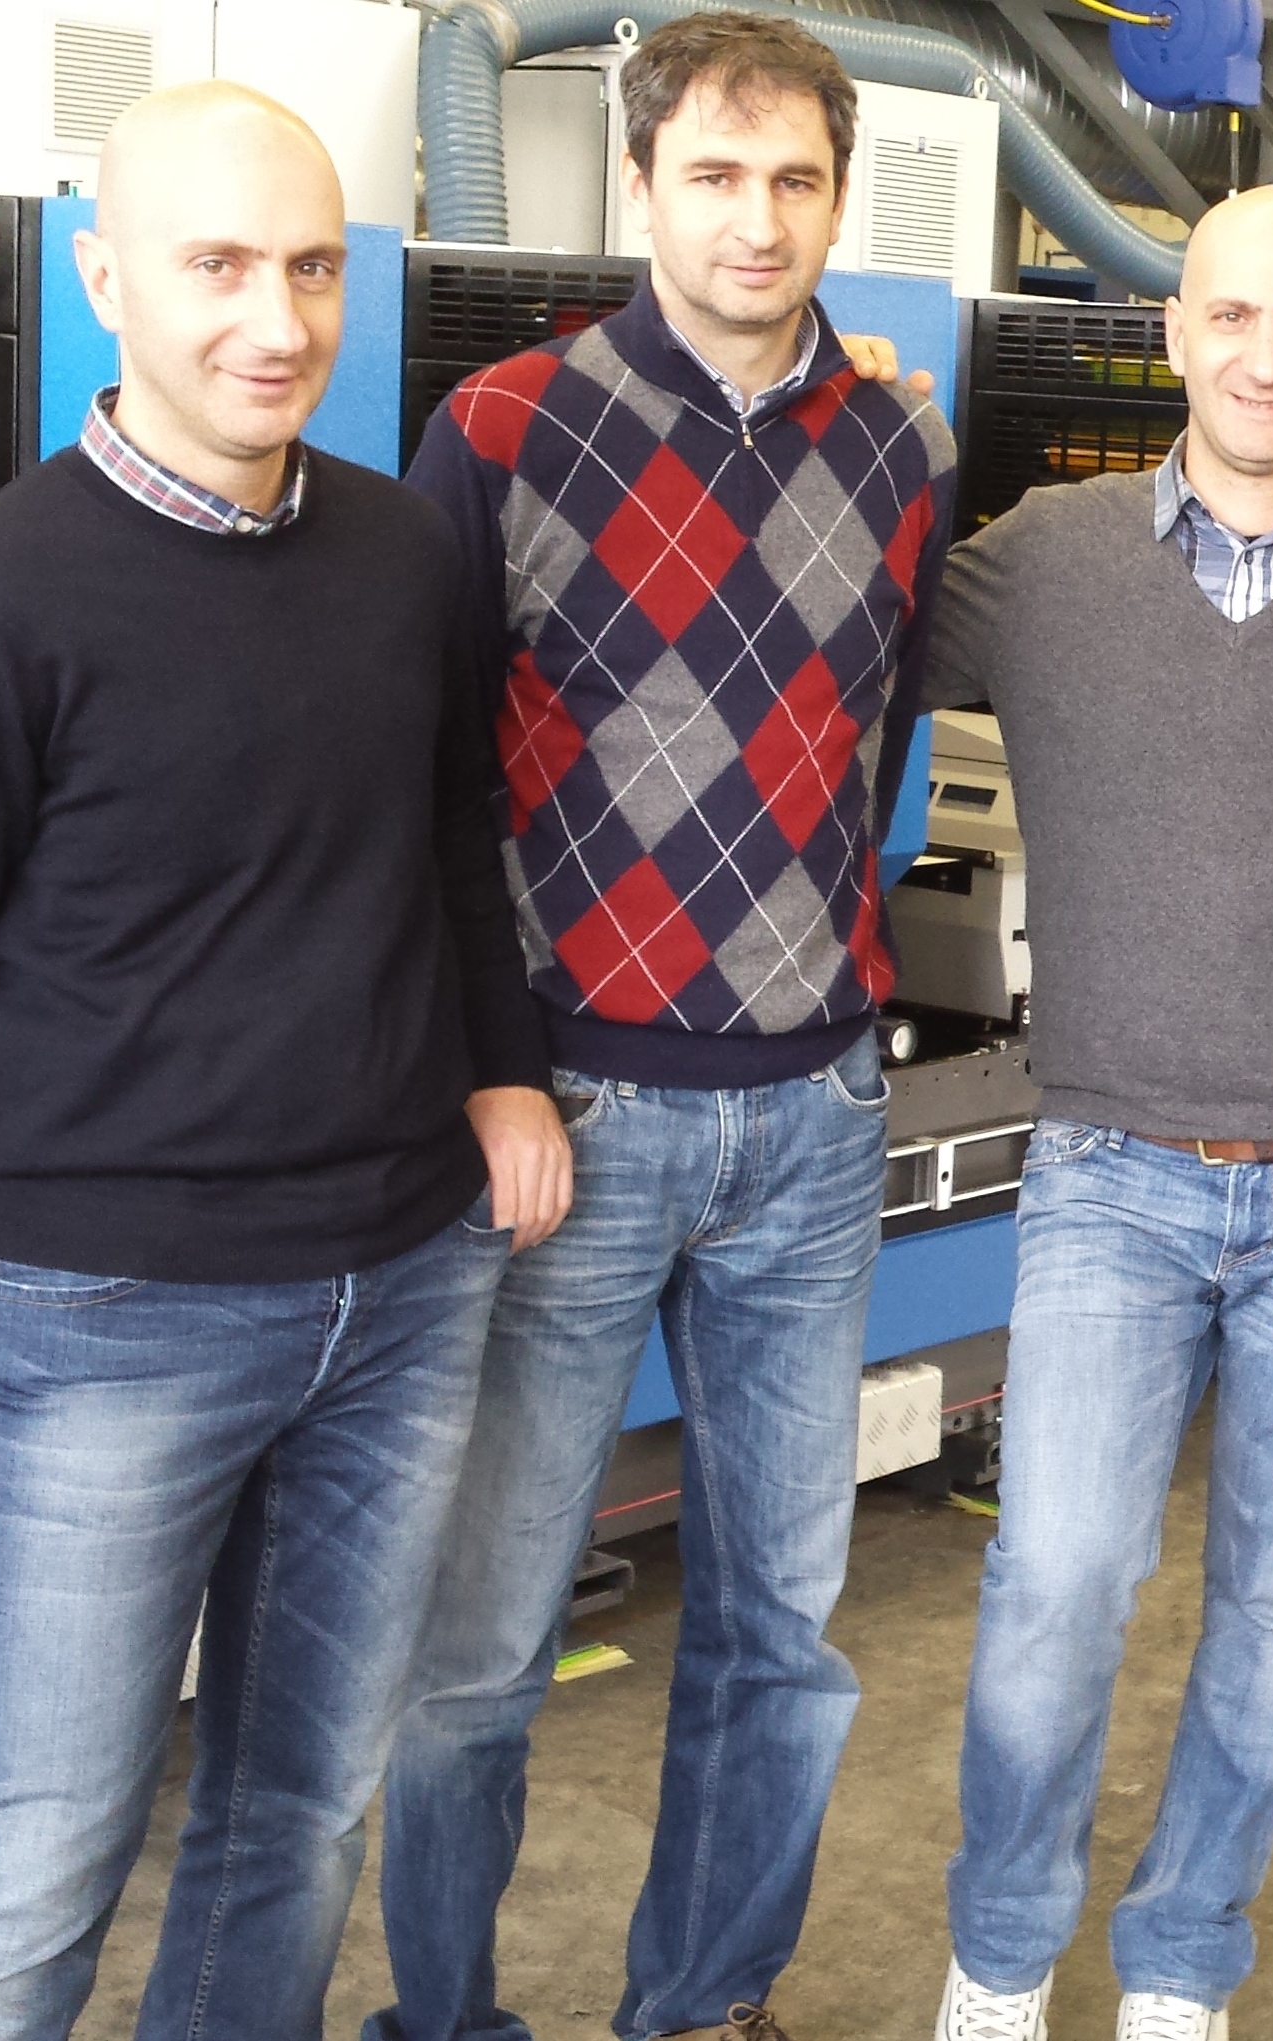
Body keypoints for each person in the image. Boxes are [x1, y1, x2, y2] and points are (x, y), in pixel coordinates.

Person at [0, 83, 565, 2041]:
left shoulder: (402, 554)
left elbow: (452, 833)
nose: (273, 321)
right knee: (32, 1867)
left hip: (400, 1291)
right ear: (106, 278)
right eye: (217, 266)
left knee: (297, 1817)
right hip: (107, 1317)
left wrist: (502, 1071)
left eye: (310, 268)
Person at [380, 13, 961, 2041]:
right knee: (479, 1650)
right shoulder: (502, 431)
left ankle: (706, 2005)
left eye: (795, 179)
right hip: (571, 1122)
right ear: (638, 185)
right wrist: (492, 1067)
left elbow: (871, 744)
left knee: (780, 1635)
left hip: (813, 1118)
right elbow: (429, 784)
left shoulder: (901, 449)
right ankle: (444, 2017)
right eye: (714, 175)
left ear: (838, 197)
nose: (756, 220)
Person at [920, 185, 1273, 2041]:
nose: (1263, 356)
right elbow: (823, 635)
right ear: (1169, 335)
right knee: (1055, 1586)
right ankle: (1002, 1957)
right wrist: (848, 431)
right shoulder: (1042, 561)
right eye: (1229, 316)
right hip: (1111, 1174)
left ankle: (1179, 1964)